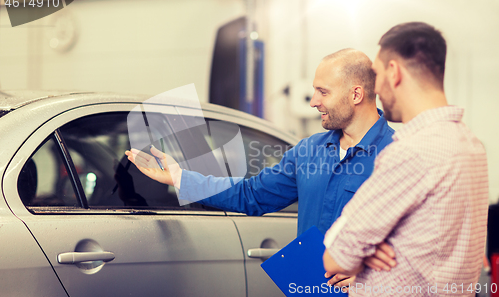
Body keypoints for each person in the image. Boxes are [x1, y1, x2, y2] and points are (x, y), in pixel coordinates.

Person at [127, 48, 396, 289]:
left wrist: (372, 275)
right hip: (312, 288)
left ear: (356, 94)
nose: (313, 101)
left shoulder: (399, 154)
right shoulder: (308, 150)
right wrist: (180, 178)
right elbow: (251, 195)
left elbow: (424, 239)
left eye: (323, 92)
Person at [322, 22, 489, 296]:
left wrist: (363, 250)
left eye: (376, 74)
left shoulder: (411, 151)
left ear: (393, 72)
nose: (374, 87)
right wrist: (374, 247)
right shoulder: (471, 145)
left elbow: (337, 256)